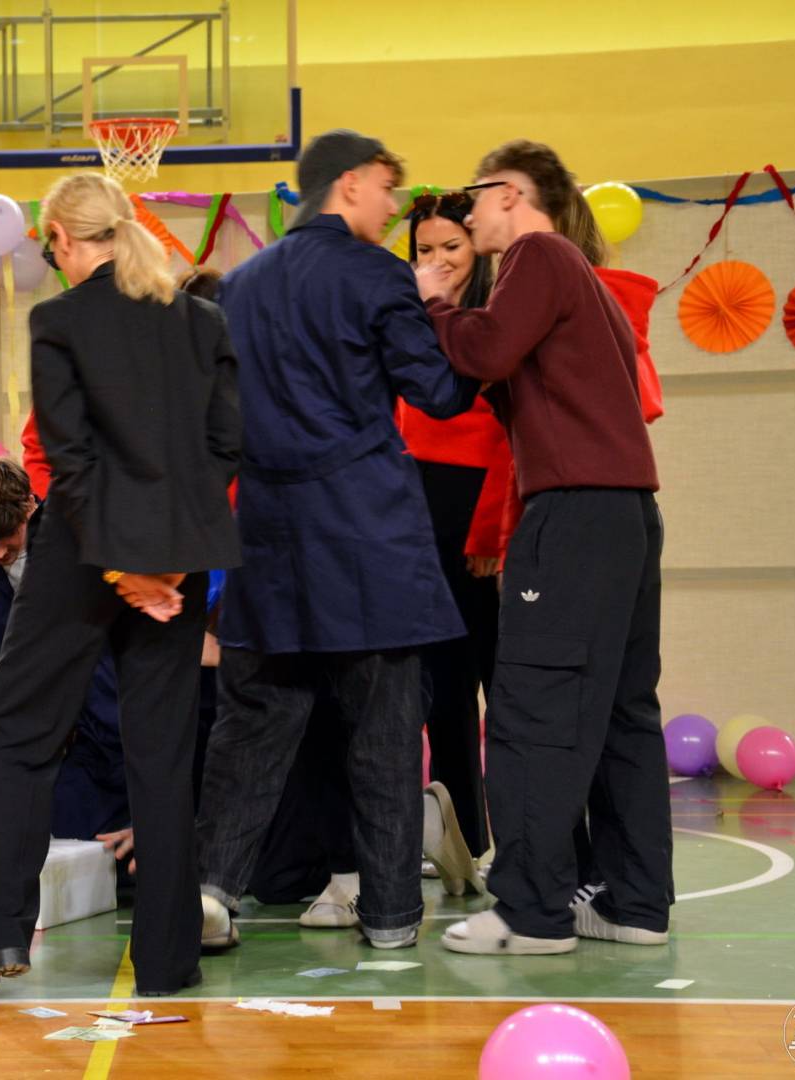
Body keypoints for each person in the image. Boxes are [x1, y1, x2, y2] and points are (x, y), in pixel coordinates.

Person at [0, 171, 241, 1000]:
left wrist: (120, 568)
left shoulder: (61, 320)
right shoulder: (203, 321)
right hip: (176, 562)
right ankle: (169, 961)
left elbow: (68, 464)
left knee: (15, 735)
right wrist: (164, 566)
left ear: (64, 240)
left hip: (84, 555)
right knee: (162, 752)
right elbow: (224, 448)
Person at [194, 130, 483, 956]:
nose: (392, 207)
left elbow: (220, 424)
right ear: (350, 184)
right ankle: (389, 918)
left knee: (250, 729)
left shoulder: (238, 287)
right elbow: (438, 394)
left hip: (268, 540)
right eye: (387, 189)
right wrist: (435, 304)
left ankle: (209, 892)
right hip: (366, 537)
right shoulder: (377, 275)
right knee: (384, 732)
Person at [420, 139, 672, 956]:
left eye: (472, 197)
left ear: (508, 193)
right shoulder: (583, 280)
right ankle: (634, 903)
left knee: (534, 708)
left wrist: (434, 304)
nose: (465, 215)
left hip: (573, 514)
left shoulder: (537, 253)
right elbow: (511, 379)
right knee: (624, 713)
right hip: (625, 514)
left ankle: (531, 912)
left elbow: (485, 351)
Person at [396, 191, 507, 863]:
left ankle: (527, 841)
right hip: (417, 506)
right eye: (424, 250)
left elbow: (509, 434)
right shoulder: (406, 315)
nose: (436, 261)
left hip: (480, 509)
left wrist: (490, 532)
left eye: (450, 247)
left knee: (503, 681)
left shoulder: (496, 317)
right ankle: (460, 836)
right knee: (441, 686)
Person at [0, 457, 129, 842]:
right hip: (10, 698)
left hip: (90, 703)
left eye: (7, 537)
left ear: (30, 505)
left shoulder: (75, 537)